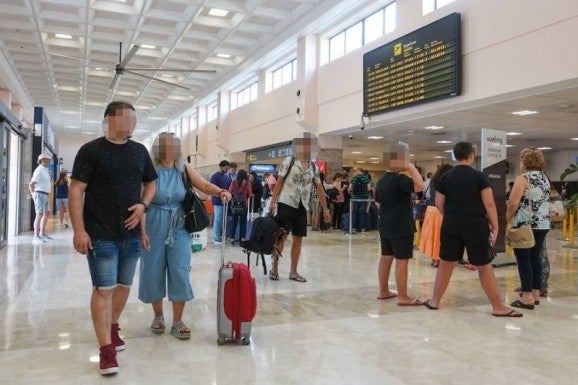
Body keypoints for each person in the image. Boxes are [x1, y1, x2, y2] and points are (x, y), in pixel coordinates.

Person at [69, 101, 158, 375]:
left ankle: (113, 326)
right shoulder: (91, 151)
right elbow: (76, 192)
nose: (133, 124)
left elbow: (151, 183)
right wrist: (79, 230)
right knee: (103, 289)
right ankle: (106, 350)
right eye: (128, 119)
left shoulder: (139, 151)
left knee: (123, 285)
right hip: (100, 233)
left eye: (134, 119)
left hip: (130, 235)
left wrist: (143, 205)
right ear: (110, 120)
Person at [139, 132, 231, 340]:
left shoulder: (184, 169)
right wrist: (141, 231)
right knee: (152, 270)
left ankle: (178, 321)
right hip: (153, 223)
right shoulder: (148, 170)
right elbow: (141, 202)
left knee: (180, 269)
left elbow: (204, 186)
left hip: (179, 225)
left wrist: (221, 191)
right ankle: (158, 316)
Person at [423, 142, 522, 317]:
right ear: (471, 155)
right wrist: (496, 224)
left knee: (446, 263)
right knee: (483, 266)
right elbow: (489, 203)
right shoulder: (479, 176)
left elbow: (438, 202)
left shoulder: (445, 177)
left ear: (455, 156)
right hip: (475, 224)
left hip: (451, 223)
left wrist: (452, 215)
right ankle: (498, 307)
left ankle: (434, 301)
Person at [268, 134, 331, 282]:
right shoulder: (290, 161)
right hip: (286, 203)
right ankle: (274, 268)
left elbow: (319, 188)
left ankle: (293, 271)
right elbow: (279, 182)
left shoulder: (313, 166)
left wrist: (326, 209)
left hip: (302, 205)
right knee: (282, 236)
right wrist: (273, 202)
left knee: (298, 238)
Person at [375, 144, 424, 305]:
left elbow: (378, 201)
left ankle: (383, 291)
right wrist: (411, 167)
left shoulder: (381, 180)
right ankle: (403, 297)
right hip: (401, 224)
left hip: (385, 223)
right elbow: (419, 187)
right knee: (402, 260)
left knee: (386, 257)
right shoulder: (400, 179)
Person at [506, 147, 550, 310]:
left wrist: (507, 219)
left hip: (525, 225)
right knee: (535, 258)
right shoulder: (544, 177)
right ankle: (535, 293)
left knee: (523, 259)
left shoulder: (522, 178)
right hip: (543, 224)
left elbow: (513, 203)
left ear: (525, 162)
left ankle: (526, 297)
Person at [419, 164, 453, 268]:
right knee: (440, 237)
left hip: (430, 211)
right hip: (440, 211)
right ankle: (438, 259)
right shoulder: (446, 181)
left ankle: (434, 259)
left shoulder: (433, 181)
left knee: (432, 236)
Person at [29, 153, 53, 243]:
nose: (49, 161)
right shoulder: (39, 170)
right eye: (47, 160)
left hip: (45, 194)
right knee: (39, 214)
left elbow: (45, 183)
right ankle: (36, 236)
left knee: (46, 213)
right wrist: (33, 194)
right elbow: (31, 184)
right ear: (42, 160)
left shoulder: (45, 170)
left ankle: (42, 233)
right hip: (40, 194)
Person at [227, 169, 252, 245]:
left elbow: (229, 193)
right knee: (243, 223)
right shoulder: (247, 183)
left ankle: (232, 240)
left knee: (233, 223)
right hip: (244, 206)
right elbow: (250, 194)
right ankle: (242, 240)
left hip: (234, 206)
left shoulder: (233, 183)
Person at [209, 160, 231, 244]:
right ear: (221, 167)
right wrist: (220, 197)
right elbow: (212, 189)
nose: (227, 170)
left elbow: (229, 188)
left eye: (228, 168)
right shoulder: (215, 177)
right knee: (218, 219)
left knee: (223, 220)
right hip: (218, 202)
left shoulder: (227, 177)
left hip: (226, 201)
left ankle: (221, 235)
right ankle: (216, 237)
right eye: (226, 168)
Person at [349, 168, 371, 232]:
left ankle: (353, 227)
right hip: (364, 198)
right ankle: (362, 228)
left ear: (358, 171)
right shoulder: (366, 178)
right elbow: (369, 188)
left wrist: (353, 192)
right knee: (362, 212)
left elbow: (350, 189)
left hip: (355, 198)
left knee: (354, 212)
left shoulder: (354, 178)